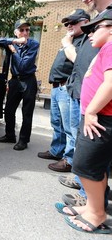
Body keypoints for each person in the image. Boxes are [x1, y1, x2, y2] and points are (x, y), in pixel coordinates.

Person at [57, 0, 112, 207]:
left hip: (99, 106)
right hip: (84, 96)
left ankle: (91, 204)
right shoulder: (101, 19)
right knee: (85, 153)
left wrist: (91, 109)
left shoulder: (108, 18)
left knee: (91, 158)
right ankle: (89, 196)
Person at [38, 9, 90, 173]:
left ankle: (69, 159)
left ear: (85, 22)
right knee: (57, 123)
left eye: (73, 22)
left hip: (67, 87)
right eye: (67, 23)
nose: (69, 25)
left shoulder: (85, 40)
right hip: (56, 87)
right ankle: (56, 151)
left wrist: (67, 43)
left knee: (70, 127)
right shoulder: (71, 39)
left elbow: (78, 61)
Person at [0, 19, 39, 151]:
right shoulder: (12, 42)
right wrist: (14, 41)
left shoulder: (33, 44)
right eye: (21, 30)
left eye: (27, 30)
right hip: (14, 80)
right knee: (8, 110)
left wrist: (14, 51)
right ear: (16, 32)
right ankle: (10, 135)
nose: (25, 33)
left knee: (27, 112)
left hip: (28, 80)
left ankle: (23, 140)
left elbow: (23, 65)